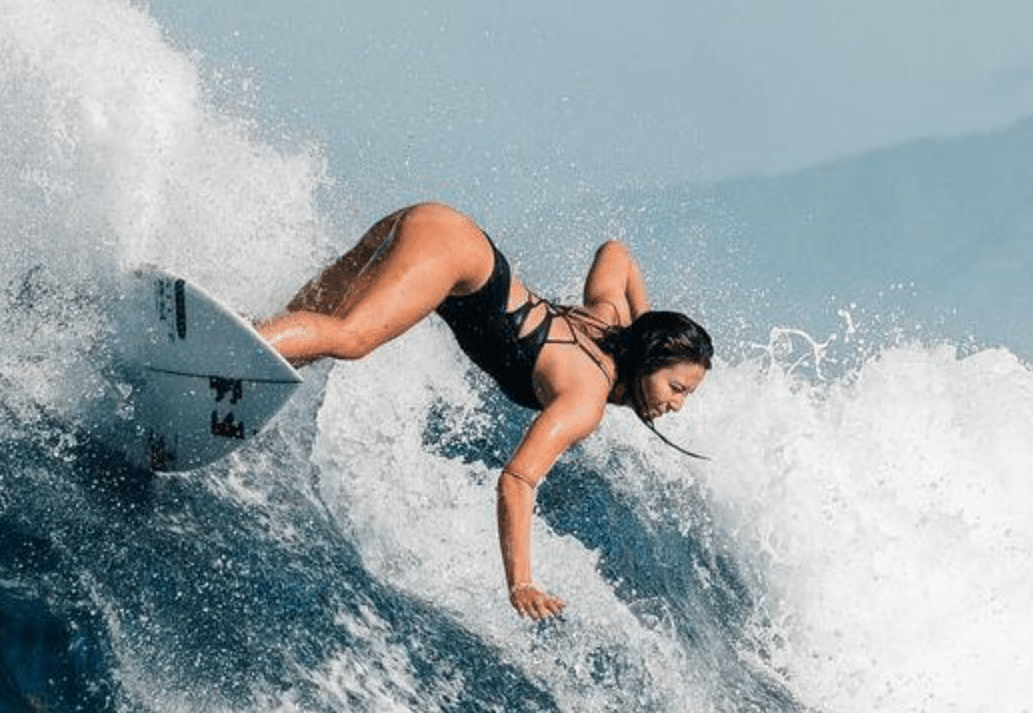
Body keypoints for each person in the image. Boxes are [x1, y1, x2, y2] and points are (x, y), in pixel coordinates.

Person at [255, 203, 714, 621]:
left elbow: (617, 253)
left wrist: (647, 321)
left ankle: (235, 344)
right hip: (455, 254)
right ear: (647, 361)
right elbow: (517, 480)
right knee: (350, 337)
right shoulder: (585, 399)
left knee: (304, 326)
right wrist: (521, 582)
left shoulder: (607, 317)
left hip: (437, 225)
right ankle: (231, 351)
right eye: (675, 387)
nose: (676, 404)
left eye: (686, 395)